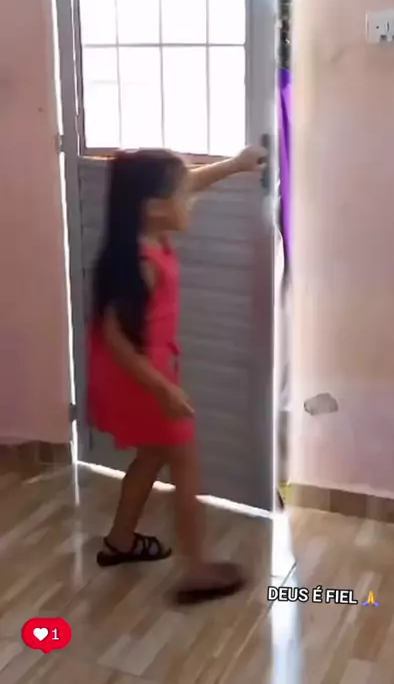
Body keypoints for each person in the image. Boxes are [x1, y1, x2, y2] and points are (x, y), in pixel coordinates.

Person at [88, 145, 265, 604]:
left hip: (148, 374)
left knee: (151, 456)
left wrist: (236, 165)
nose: (192, 201)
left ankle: (120, 541)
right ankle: (196, 569)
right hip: (144, 379)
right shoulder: (142, 263)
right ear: (154, 208)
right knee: (185, 464)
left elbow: (190, 184)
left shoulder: (148, 235)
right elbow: (115, 339)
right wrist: (163, 387)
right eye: (182, 196)